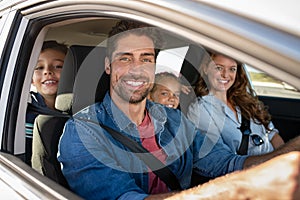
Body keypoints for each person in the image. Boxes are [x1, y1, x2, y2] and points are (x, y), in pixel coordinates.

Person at [58, 20, 300, 200]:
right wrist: (243, 189)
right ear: (108, 66)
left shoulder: (175, 120)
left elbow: (227, 164)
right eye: (125, 58)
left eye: (146, 58)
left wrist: (290, 153)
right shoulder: (83, 132)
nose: (137, 69)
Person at [187, 52, 285, 156]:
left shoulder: (247, 100)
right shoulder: (200, 110)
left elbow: (272, 134)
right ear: (205, 69)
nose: (225, 75)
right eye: (219, 68)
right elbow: (221, 159)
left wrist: (284, 158)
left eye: (232, 69)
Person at [25, 40, 68, 166]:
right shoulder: (26, 114)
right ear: (31, 79)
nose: (47, 71)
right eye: (39, 67)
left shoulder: (83, 109)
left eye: (58, 66)